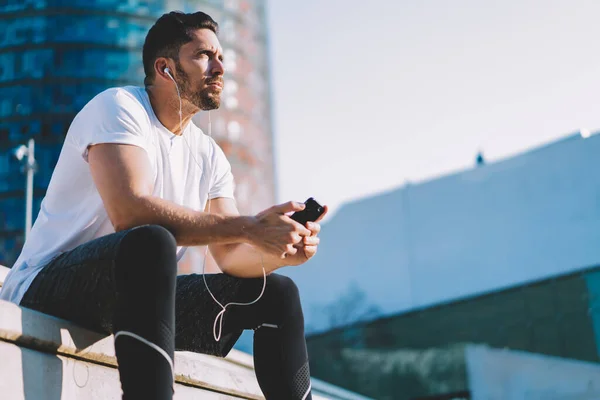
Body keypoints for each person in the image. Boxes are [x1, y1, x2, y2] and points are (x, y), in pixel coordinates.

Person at [0, 10, 327, 400]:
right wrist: (249, 226)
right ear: (165, 68)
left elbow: (229, 256)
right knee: (150, 240)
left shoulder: (209, 155)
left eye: (221, 55)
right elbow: (131, 212)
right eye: (204, 55)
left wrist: (279, 250)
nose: (220, 66)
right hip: (49, 287)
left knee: (278, 293)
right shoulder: (118, 107)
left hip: (136, 300)